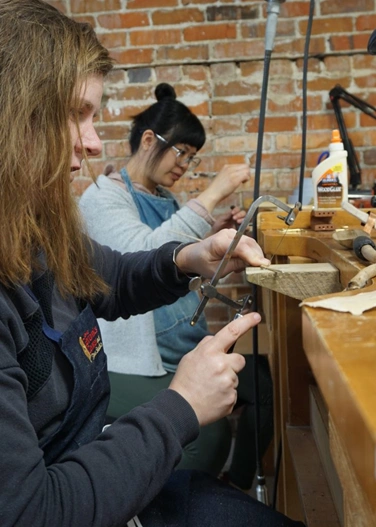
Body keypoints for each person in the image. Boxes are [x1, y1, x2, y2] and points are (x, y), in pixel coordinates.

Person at [0, 1, 307, 526]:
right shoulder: (97, 199)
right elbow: (31, 511)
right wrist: (181, 406)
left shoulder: (31, 227)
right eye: (76, 114)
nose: (94, 142)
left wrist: (189, 258)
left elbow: (106, 276)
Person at [79, 83, 274, 487]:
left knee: (264, 382)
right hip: (131, 360)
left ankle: (232, 491)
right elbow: (143, 251)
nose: (185, 164)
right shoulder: (102, 197)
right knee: (208, 434)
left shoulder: (164, 197)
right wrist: (215, 192)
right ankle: (160, 505)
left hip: (178, 340)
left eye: (192, 157)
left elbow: (172, 263)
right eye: (181, 152)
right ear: (149, 140)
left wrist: (213, 245)